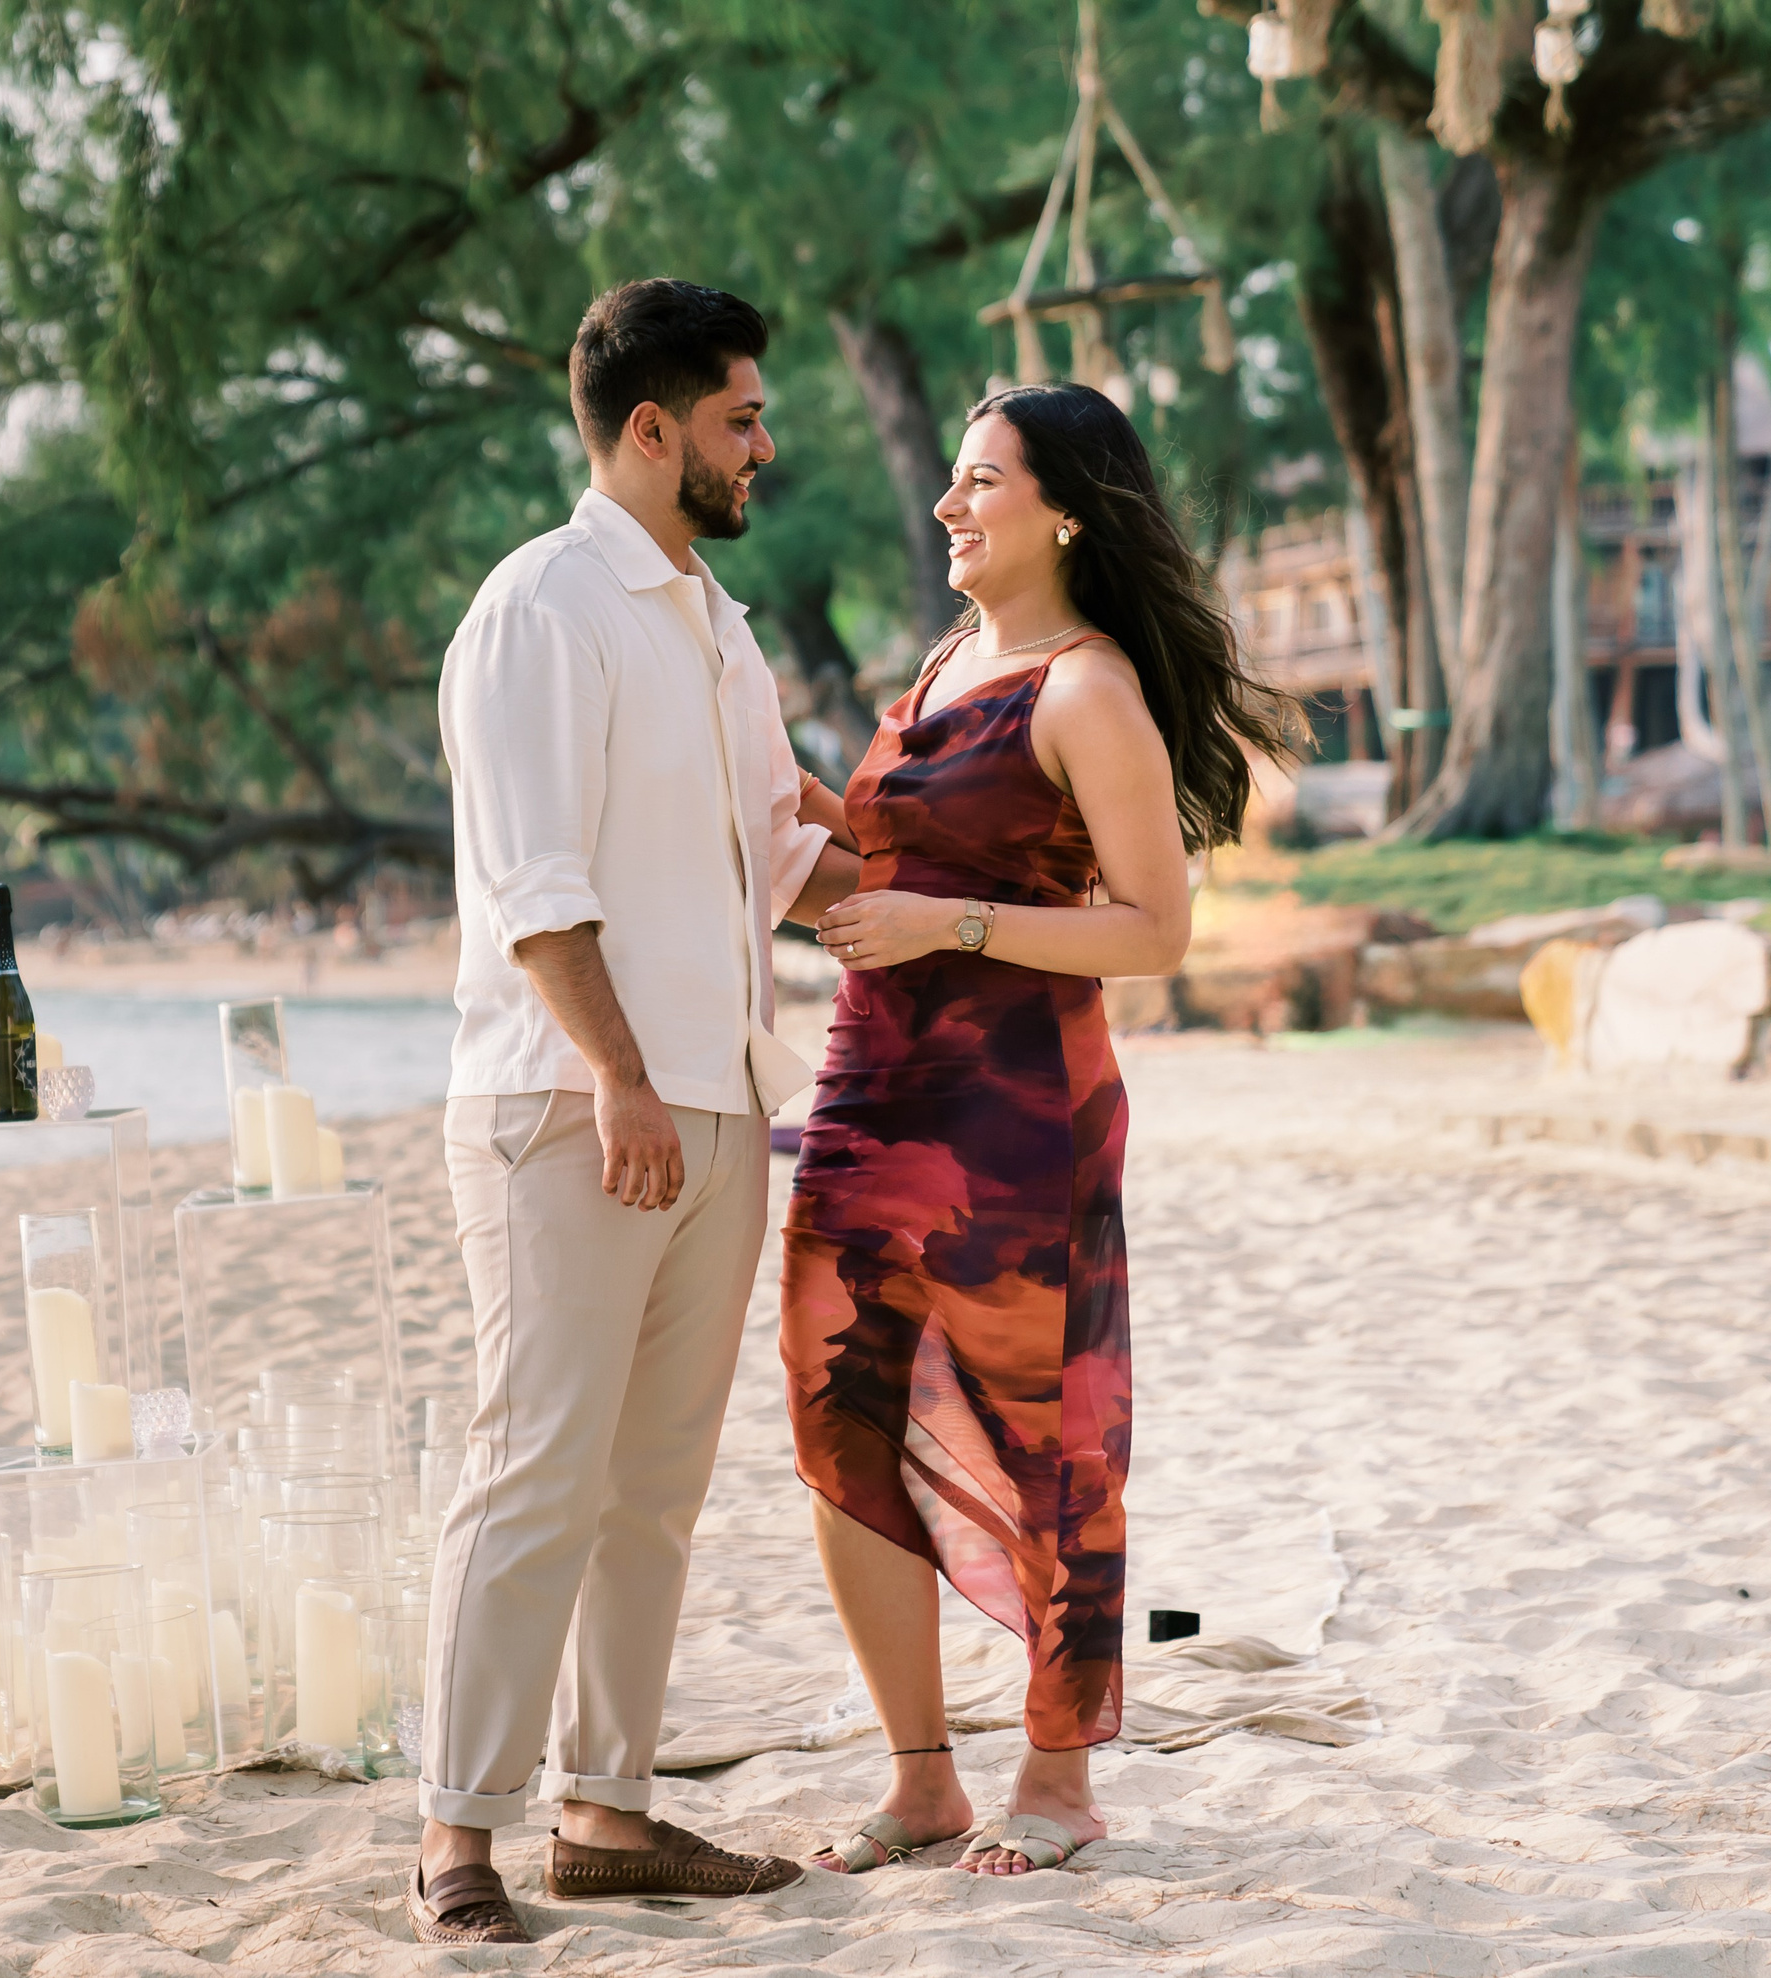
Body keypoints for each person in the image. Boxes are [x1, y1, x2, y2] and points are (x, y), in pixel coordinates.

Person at [781, 382, 1294, 1879]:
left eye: (982, 480)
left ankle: (1057, 1779)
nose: (950, 504)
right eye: (952, 478)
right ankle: (921, 1778)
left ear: (1065, 511)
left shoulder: (1087, 690)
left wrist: (946, 922)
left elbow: (1153, 932)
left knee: (1043, 1438)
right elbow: (903, 855)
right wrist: (774, 800)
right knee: (836, 1414)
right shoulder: (948, 659)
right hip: (868, 1088)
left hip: (1016, 1114)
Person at [412, 278, 863, 1946]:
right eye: (744, 417)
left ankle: (602, 1813)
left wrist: (989, 892)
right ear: (655, 430)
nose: (765, 445)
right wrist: (616, 1076)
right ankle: (455, 1835)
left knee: (653, 1483)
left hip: (722, 1102)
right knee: (536, 1465)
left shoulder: (717, 624)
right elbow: (534, 885)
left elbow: (784, 851)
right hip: (569, 1101)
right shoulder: (543, 606)